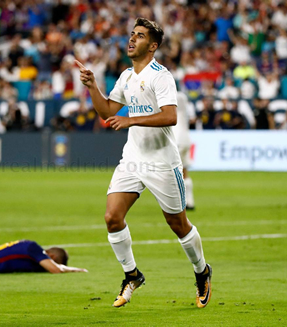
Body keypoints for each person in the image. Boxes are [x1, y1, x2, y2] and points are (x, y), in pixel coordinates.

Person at [75, 17, 211, 308]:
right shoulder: (126, 76)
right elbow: (108, 112)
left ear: (153, 46)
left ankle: (202, 271)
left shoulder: (161, 76)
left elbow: (170, 116)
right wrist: (92, 87)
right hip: (133, 159)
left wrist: (131, 119)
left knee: (178, 224)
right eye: (132, 34)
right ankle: (132, 274)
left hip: (162, 163)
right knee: (112, 217)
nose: (132, 39)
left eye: (140, 36)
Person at [172, 91, 196, 210]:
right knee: (184, 170)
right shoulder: (183, 98)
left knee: (173, 171)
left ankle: (178, 203)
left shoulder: (169, 96)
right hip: (186, 137)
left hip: (176, 138)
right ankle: (190, 201)